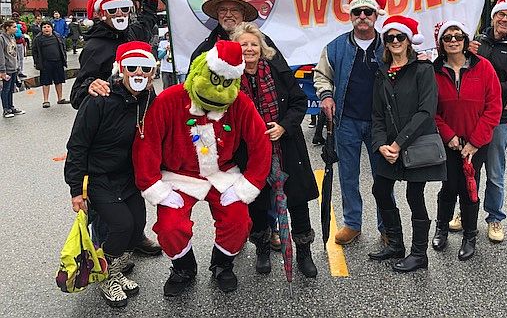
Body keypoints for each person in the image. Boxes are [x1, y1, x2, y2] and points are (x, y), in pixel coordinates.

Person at [132, 40, 271, 296]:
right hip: (180, 175)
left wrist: (249, 184)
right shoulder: (170, 99)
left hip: (222, 173)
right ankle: (183, 267)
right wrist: (154, 186)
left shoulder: (239, 102)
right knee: (170, 225)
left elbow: (260, 142)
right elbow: (147, 144)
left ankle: (222, 263)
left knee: (239, 219)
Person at [70, 0, 169, 257]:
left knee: (130, 187)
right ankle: (105, 251)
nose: (120, 15)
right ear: (102, 13)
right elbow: (78, 92)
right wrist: (91, 86)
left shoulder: (131, 33)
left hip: (133, 122)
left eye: (124, 8)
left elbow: (147, 21)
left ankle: (133, 237)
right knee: (107, 206)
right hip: (105, 122)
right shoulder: (95, 48)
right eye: (113, 10)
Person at [64, 42, 157, 308]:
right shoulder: (99, 99)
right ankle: (105, 276)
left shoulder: (150, 99)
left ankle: (113, 269)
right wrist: (75, 190)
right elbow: (78, 145)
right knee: (121, 225)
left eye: (146, 68)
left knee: (137, 223)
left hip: (128, 177)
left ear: (152, 73)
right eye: (131, 67)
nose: (138, 72)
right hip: (98, 178)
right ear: (121, 70)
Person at [231, 22, 319, 278]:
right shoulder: (230, 79)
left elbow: (298, 101)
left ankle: (304, 253)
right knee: (257, 204)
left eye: (253, 44)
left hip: (286, 147)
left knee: (298, 201)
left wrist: (283, 126)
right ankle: (262, 249)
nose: (249, 48)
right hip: (251, 152)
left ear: (262, 48)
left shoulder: (277, 71)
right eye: (243, 44)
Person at [368, 15, 442, 272]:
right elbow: (376, 115)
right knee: (380, 190)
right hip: (388, 148)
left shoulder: (424, 70)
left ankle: (419, 254)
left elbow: (426, 112)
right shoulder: (382, 74)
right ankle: (396, 244)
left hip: (414, 145)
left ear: (409, 41)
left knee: (414, 195)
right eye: (390, 38)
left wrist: (398, 144)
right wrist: (380, 145)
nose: (396, 41)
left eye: (400, 37)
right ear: (385, 43)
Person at [314, 0, 387, 245]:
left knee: (383, 177)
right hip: (347, 121)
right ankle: (352, 223)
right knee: (348, 175)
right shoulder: (334, 47)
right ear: (351, 16)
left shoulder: (390, 44)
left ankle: (386, 225)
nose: (363, 16)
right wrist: (326, 96)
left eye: (368, 12)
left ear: (376, 15)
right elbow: (321, 75)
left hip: (380, 123)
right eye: (357, 12)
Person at [430, 21, 502, 261]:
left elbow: (493, 108)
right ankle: (441, 227)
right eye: (447, 37)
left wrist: (474, 142)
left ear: (465, 39)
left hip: (475, 143)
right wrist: (448, 135)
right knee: (448, 185)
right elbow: (430, 110)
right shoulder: (434, 70)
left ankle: (470, 235)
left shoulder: (485, 68)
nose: (453, 40)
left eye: (457, 36)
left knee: (468, 188)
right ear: (441, 43)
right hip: (447, 142)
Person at [463, 0, 507, 243]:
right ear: (492, 17)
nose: (504, 19)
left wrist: (484, 88)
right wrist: (464, 52)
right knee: (468, 169)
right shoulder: (477, 41)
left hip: (498, 120)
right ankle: (465, 212)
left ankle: (494, 217)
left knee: (495, 172)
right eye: (500, 15)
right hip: (470, 118)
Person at [190, 0, 289, 71]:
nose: (228, 15)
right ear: (217, 15)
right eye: (223, 10)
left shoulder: (263, 43)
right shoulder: (206, 50)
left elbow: (285, 78)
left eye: (234, 10)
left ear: (243, 14)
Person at [32, 21, 71, 107]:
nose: (46, 28)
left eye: (48, 27)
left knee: (59, 81)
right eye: (44, 27)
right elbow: (34, 52)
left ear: (51, 28)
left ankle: (60, 98)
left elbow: (63, 48)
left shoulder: (57, 36)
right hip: (45, 63)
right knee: (46, 82)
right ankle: (46, 100)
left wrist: (64, 59)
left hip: (58, 62)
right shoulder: (38, 39)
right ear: (41, 29)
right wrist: (37, 63)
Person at [1, 20, 25, 118]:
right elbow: (1, 55)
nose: (16, 29)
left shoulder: (12, 37)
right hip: (6, 68)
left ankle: (11, 107)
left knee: (11, 89)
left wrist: (18, 67)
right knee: (5, 89)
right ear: (7, 27)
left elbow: (15, 53)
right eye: (14, 27)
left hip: (13, 67)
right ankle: (6, 109)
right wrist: (2, 70)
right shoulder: (1, 38)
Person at [11, 12, 27, 79]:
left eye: (16, 16)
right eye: (14, 16)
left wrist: (19, 27)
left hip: (19, 43)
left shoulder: (21, 23)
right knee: (13, 58)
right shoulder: (10, 23)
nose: (15, 17)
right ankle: (15, 71)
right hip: (12, 43)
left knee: (20, 58)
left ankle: (20, 71)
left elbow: (25, 30)